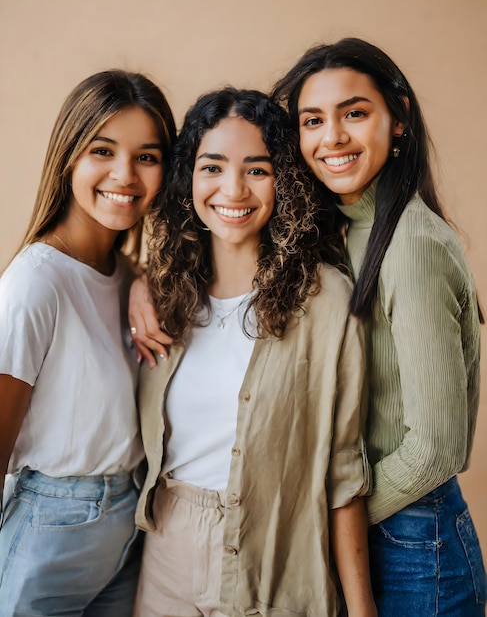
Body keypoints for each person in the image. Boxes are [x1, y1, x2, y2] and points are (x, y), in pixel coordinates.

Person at [133, 87, 377, 617]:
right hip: (165, 553)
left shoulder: (328, 301)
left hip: (277, 561)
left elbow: (343, 474)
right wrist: (139, 279)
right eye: (212, 167)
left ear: (285, 181)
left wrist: (362, 610)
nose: (233, 189)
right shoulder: (163, 295)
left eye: (258, 169)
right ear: (188, 180)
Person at [271, 37, 486, 616]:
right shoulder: (346, 230)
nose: (331, 138)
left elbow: (438, 448)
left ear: (399, 120)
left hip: (415, 542)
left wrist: (333, 522)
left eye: (355, 113)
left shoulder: (410, 243)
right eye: (312, 120)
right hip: (380, 532)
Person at [0, 69, 176, 616]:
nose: (125, 174)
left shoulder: (127, 278)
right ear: (69, 157)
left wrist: (146, 274)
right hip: (51, 528)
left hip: (128, 528)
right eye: (103, 150)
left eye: (147, 156)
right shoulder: (36, 283)